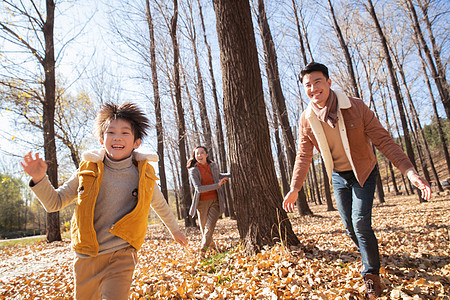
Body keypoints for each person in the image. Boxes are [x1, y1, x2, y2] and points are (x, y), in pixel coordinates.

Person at [283, 62, 431, 299]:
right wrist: (294, 188)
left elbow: (384, 140)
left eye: (317, 82)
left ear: (329, 82)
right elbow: (303, 155)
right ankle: (369, 254)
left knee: (361, 222)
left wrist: (410, 172)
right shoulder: (307, 119)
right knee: (351, 227)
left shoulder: (356, 107)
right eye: (308, 85)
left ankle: (371, 275)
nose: (313, 88)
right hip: (339, 176)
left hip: (364, 171)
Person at [20, 102, 188, 299]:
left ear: (136, 142)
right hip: (87, 256)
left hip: (122, 254)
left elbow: (159, 203)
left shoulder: (143, 174)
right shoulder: (88, 170)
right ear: (102, 140)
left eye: (125, 133)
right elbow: (54, 203)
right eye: (111, 132)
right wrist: (40, 179)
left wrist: (174, 230)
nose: (117, 137)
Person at [187, 146, 230, 256]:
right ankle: (212, 248)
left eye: (202, 153)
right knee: (204, 229)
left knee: (210, 226)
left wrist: (231, 174)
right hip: (201, 203)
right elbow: (199, 189)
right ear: (195, 157)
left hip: (215, 200)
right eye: (197, 154)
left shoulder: (213, 165)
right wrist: (217, 185)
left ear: (206, 154)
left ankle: (203, 250)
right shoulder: (193, 171)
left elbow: (218, 176)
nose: (200, 155)